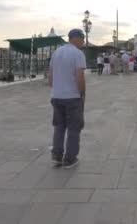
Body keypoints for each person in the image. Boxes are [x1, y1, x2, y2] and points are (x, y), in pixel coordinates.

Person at [47, 29, 87, 169]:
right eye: (82, 39)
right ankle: (70, 158)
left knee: (59, 126)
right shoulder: (78, 54)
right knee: (74, 127)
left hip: (56, 96)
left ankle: (57, 156)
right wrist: (82, 93)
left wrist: (55, 88)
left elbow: (50, 76)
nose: (83, 42)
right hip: (72, 97)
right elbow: (80, 77)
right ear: (76, 38)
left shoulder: (56, 52)